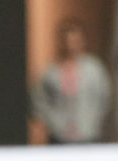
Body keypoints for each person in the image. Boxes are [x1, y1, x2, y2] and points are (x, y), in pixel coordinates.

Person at [29, 17, 112, 145]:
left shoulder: (94, 69)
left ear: (82, 41)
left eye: (74, 40)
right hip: (58, 135)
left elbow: (103, 97)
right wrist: (52, 123)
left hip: (88, 134)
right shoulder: (49, 71)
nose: (70, 45)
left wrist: (93, 121)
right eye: (67, 41)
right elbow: (39, 100)